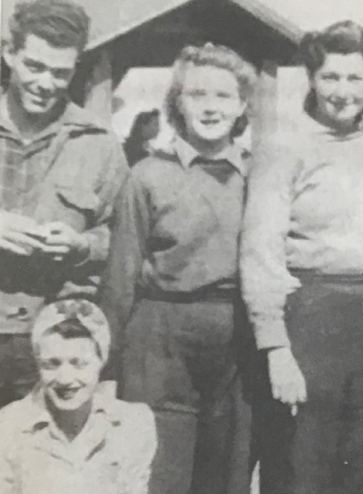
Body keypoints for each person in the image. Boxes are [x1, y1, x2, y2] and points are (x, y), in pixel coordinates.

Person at [241, 20, 363, 494]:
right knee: (303, 463)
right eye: (330, 77)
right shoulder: (284, 146)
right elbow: (260, 249)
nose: (343, 91)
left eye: (355, 78)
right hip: (310, 312)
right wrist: (276, 347)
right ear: (312, 79)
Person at [99, 43, 256, 494]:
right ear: (177, 104)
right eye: (197, 94)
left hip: (235, 337)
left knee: (225, 471)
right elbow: (121, 273)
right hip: (160, 337)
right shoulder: (146, 174)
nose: (210, 107)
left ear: (243, 104)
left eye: (224, 96)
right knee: (161, 470)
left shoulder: (258, 173)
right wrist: (105, 363)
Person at [0, 0, 128, 408]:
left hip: (48, 343)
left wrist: (80, 245)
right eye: (34, 66)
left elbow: (126, 241)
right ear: (8, 53)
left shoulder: (100, 145)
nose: (45, 83)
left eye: (60, 72)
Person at [0, 299, 156, 494]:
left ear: (101, 361)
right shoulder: (8, 427)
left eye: (79, 363)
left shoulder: (133, 424)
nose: (65, 379)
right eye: (52, 364)